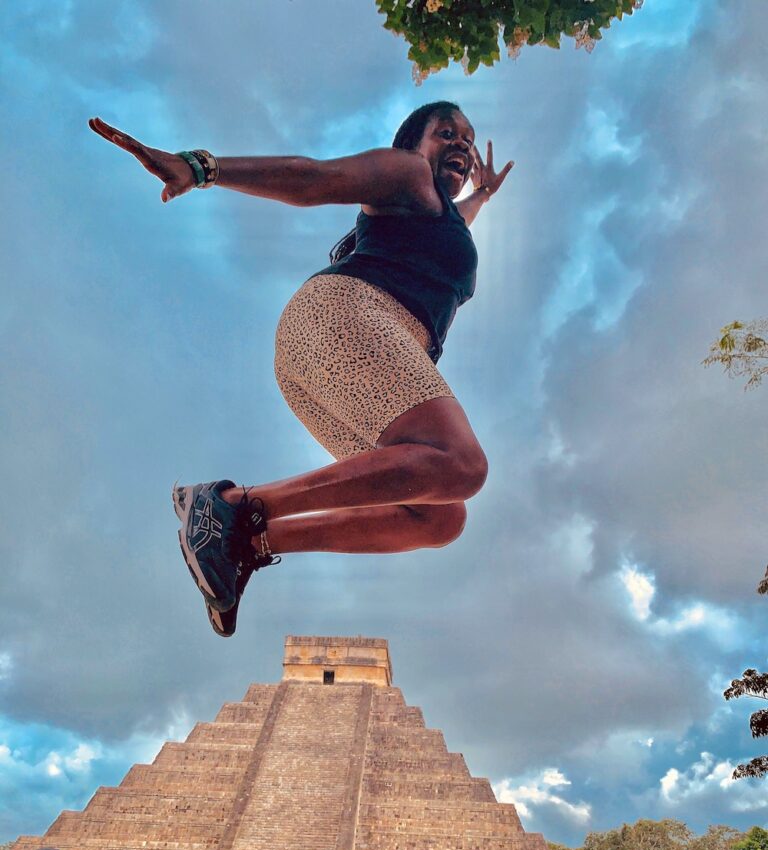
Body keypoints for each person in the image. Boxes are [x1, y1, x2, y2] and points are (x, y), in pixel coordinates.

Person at [88, 103, 513, 637]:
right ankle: (227, 507)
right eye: (446, 133)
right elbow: (313, 178)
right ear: (413, 144)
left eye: (468, 140)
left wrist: (485, 194)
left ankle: (247, 542)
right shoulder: (406, 173)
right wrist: (200, 169)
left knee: (440, 515)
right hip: (346, 321)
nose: (461, 145)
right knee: (461, 465)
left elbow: (460, 225)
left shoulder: (440, 218)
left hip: (323, 358)